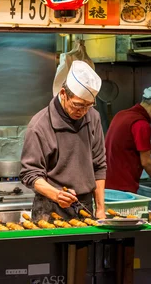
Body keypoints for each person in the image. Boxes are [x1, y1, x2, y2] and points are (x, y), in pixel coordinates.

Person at [20, 61, 107, 220]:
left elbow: (99, 165)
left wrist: (100, 208)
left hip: (85, 206)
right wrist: (56, 194)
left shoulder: (93, 117)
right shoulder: (40, 125)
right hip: (50, 207)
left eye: (88, 106)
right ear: (62, 93)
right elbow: (30, 174)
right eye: (78, 105)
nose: (83, 111)